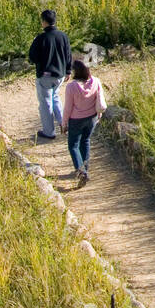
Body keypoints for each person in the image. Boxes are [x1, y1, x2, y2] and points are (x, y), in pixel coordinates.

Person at [27, 9, 70, 141]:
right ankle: (64, 124)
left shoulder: (40, 38)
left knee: (45, 102)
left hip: (45, 75)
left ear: (44, 22)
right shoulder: (63, 36)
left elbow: (32, 57)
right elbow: (68, 55)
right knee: (55, 97)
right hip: (60, 75)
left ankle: (49, 132)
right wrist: (68, 71)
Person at [62, 58, 106, 186]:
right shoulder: (96, 81)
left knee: (73, 146)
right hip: (92, 118)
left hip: (76, 120)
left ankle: (82, 172)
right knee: (85, 141)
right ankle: (85, 168)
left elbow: (68, 108)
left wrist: (64, 123)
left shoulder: (71, 87)